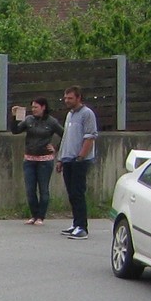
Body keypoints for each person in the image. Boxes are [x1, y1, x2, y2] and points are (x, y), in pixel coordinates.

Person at [9, 97, 62, 225]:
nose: (33, 109)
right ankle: (34, 215)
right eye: (32, 107)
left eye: (36, 107)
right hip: (29, 159)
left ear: (43, 107)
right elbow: (15, 131)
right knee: (30, 189)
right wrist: (14, 117)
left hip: (45, 160)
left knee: (43, 189)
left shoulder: (52, 122)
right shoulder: (29, 120)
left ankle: (40, 217)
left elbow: (64, 134)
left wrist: (55, 148)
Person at [57, 85, 99, 239]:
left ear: (79, 98)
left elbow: (90, 137)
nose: (67, 101)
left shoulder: (87, 114)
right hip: (68, 159)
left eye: (70, 98)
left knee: (78, 193)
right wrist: (61, 158)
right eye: (65, 98)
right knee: (72, 194)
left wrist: (80, 157)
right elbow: (65, 138)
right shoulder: (69, 115)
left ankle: (82, 227)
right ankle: (75, 224)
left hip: (79, 160)